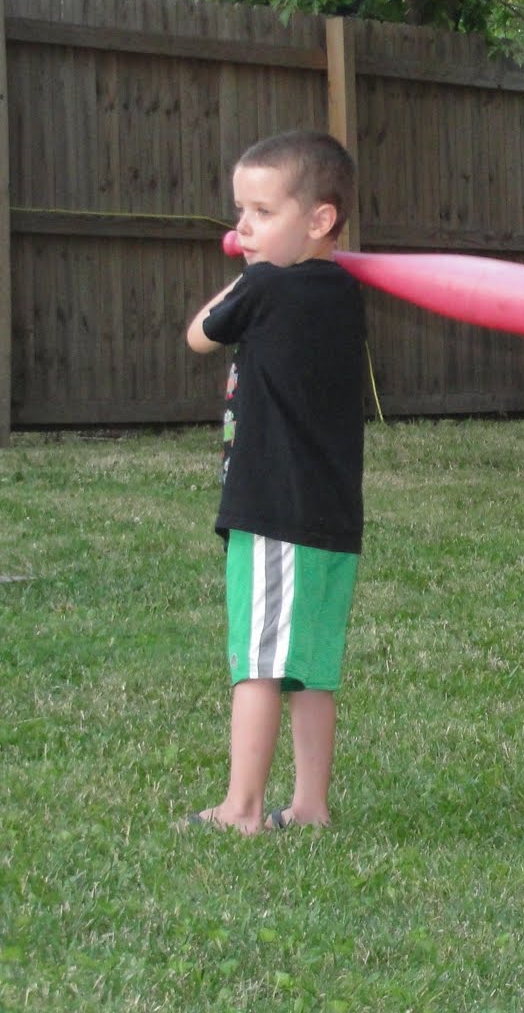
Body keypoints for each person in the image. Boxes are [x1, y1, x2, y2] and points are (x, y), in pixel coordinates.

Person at [181, 130, 366, 834]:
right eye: (240, 212)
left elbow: (200, 334)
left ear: (320, 220)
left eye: (261, 212)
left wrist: (248, 271)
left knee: (258, 665)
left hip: (272, 511)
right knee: (310, 668)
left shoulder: (261, 287)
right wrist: (264, 256)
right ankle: (310, 806)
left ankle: (242, 808)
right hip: (332, 517)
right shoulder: (344, 293)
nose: (243, 229)